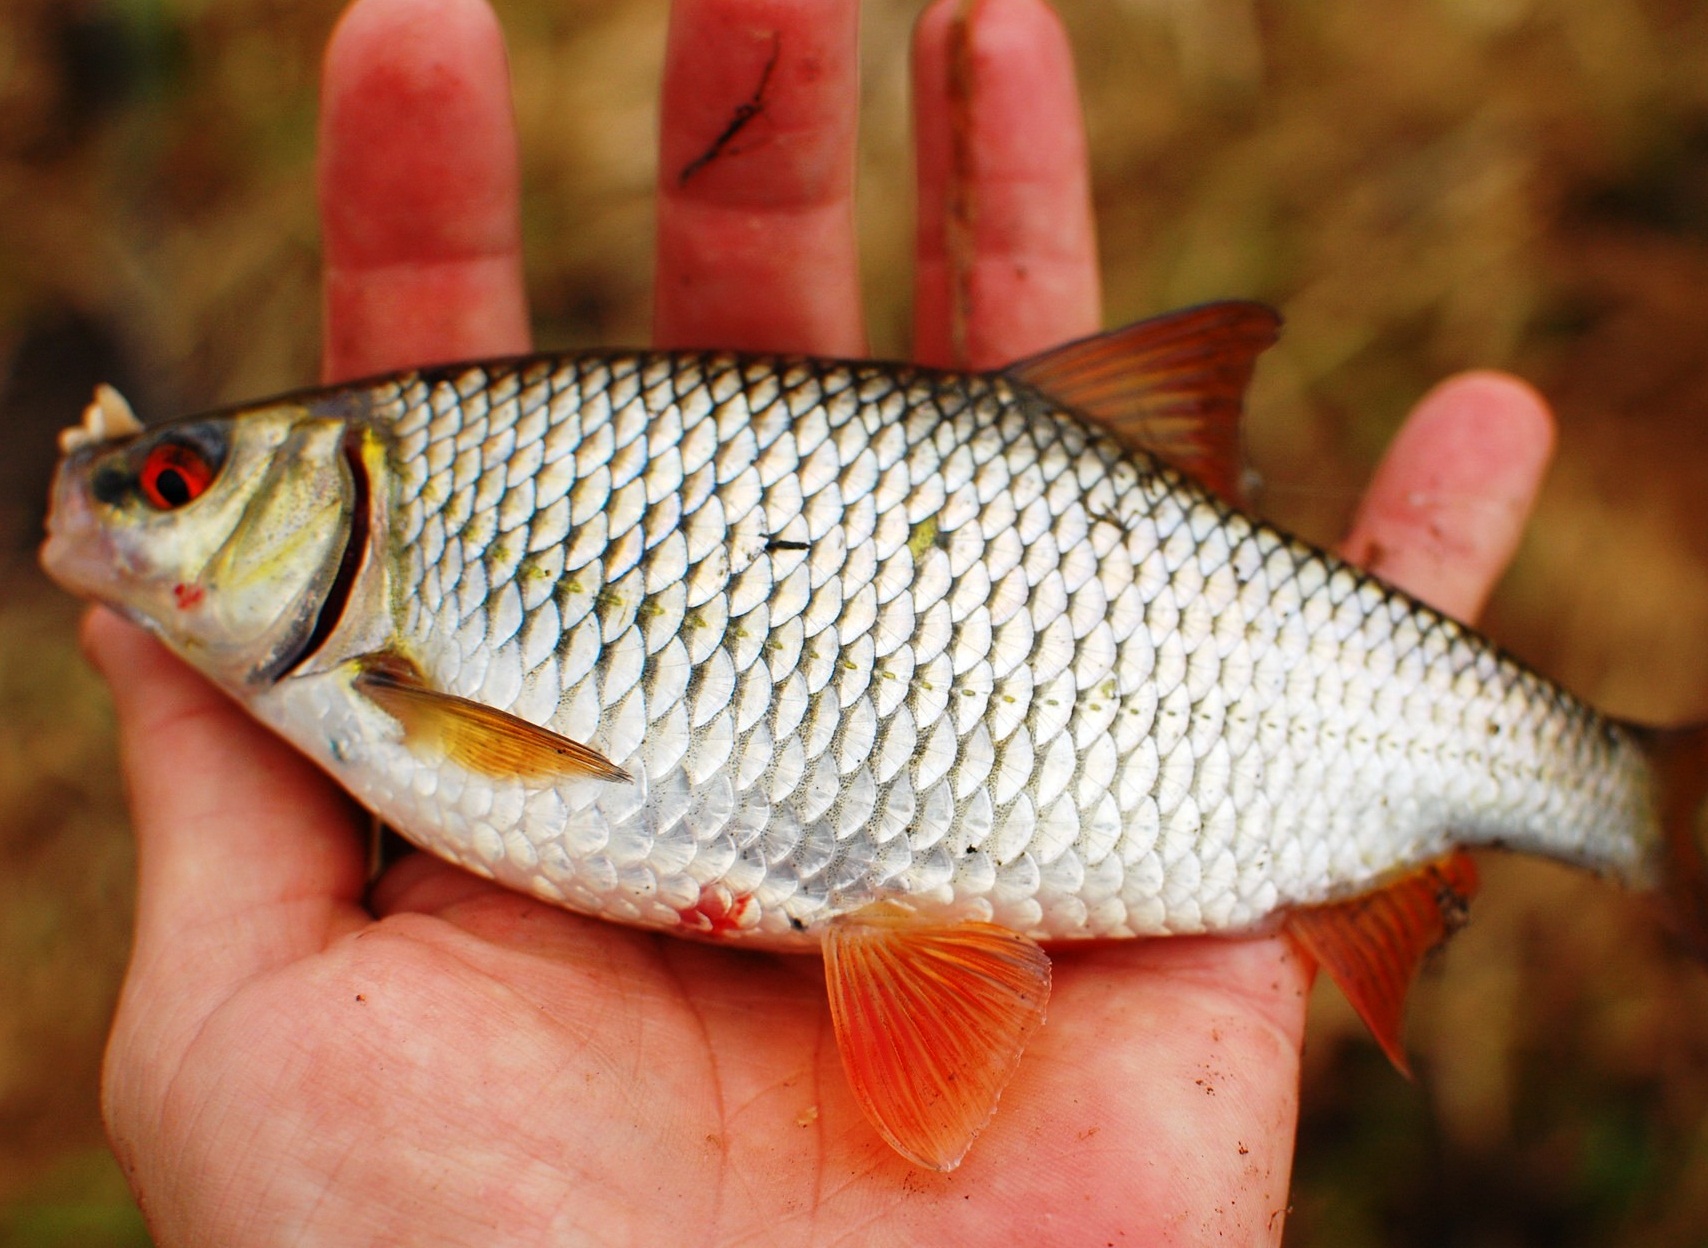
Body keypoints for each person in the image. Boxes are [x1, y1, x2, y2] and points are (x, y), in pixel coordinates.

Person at [84, 0, 1554, 1242]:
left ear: (343, 499)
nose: (131, 508)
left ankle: (1618, 791)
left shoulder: (379, 674)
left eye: (168, 480)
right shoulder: (355, 663)